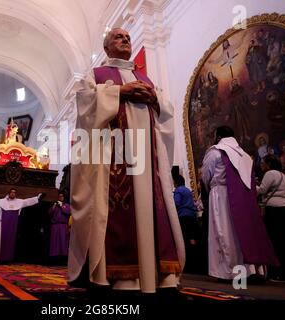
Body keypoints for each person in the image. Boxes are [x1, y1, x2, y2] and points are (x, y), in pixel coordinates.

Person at [69, 27, 185, 295]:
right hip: (115, 155)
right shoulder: (96, 75)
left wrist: (155, 98)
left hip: (148, 157)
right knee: (122, 207)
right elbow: (85, 105)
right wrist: (120, 92)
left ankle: (161, 275)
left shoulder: (145, 78)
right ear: (107, 47)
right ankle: (125, 277)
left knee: (153, 207)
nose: (125, 40)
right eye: (118, 37)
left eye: (128, 37)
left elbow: (166, 112)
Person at [202, 126, 278, 281]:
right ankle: (249, 270)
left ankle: (228, 272)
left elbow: (206, 175)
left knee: (223, 232)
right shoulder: (244, 156)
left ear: (218, 137)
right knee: (241, 232)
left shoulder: (216, 151)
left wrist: (208, 188)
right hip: (243, 199)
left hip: (220, 195)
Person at [257, 155, 285, 281]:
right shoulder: (282, 175)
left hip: (275, 211)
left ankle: (275, 273)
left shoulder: (270, 173)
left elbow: (262, 190)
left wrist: (252, 186)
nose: (262, 165)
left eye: (263, 163)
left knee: (274, 241)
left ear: (269, 164)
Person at [0, 189, 45, 262]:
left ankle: (6, 258)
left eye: (14, 193)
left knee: (9, 241)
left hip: (12, 225)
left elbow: (27, 202)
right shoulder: (2, 202)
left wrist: (37, 198)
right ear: (9, 193)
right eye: (11, 192)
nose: (13, 194)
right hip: (2, 224)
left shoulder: (19, 202)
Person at [172, 175, 201, 273]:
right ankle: (194, 265)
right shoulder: (188, 191)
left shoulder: (178, 191)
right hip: (192, 217)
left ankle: (186, 265)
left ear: (175, 183)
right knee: (192, 240)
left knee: (183, 241)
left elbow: (176, 203)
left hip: (183, 217)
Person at [48, 192, 71, 264]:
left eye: (62, 196)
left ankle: (63, 259)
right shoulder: (55, 205)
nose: (60, 198)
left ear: (64, 198)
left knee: (63, 242)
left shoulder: (67, 205)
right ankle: (54, 259)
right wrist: (54, 206)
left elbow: (68, 212)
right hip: (55, 226)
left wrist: (61, 206)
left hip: (63, 226)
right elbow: (50, 213)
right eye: (59, 196)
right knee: (55, 242)